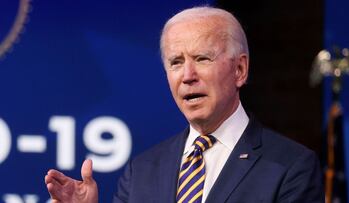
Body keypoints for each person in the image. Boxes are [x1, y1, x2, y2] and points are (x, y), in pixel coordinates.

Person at [45, 6, 323, 203]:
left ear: (240, 70)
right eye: (176, 63)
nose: (188, 76)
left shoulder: (291, 167)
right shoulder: (141, 170)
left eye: (202, 58)